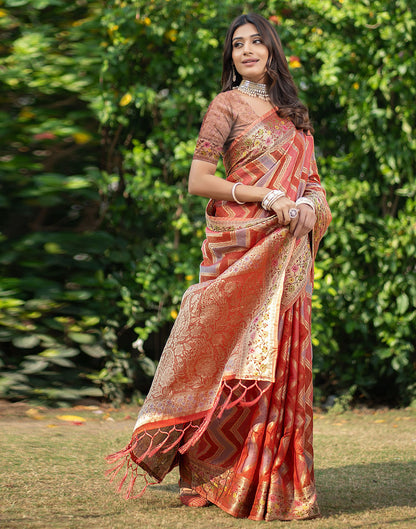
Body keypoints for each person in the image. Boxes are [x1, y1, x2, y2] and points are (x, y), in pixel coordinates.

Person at [107, 12, 331, 522]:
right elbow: (199, 180)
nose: (247, 50)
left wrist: (308, 207)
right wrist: (269, 196)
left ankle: (274, 482)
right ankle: (207, 473)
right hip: (242, 249)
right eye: (237, 45)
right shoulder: (224, 105)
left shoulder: (296, 114)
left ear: (273, 50)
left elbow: (314, 181)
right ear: (229, 57)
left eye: (257, 42)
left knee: (278, 368)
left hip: (288, 256)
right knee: (225, 359)